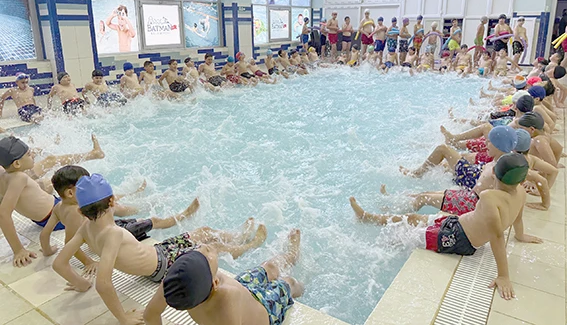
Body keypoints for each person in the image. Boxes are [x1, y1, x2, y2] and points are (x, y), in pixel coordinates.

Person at [53, 174, 268, 325]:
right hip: (165, 266)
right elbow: (103, 283)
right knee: (212, 248)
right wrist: (123, 318)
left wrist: (81, 284)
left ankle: (238, 235)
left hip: (159, 252)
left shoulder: (85, 228)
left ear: (80, 211)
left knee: (203, 232)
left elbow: (59, 263)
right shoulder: (113, 234)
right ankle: (249, 244)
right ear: (112, 201)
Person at [350, 153, 543, 300]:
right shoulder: (521, 192)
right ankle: (369, 217)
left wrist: (503, 276)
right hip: (456, 224)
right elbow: (517, 218)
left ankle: (373, 243)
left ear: (493, 172)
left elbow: (497, 236)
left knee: (403, 236)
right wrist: (520, 235)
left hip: (457, 239)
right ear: (522, 181)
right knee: (413, 218)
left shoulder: (489, 197)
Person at [40, 165, 200, 270]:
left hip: (105, 226)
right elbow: (69, 243)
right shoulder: (76, 213)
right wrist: (88, 262)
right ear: (70, 192)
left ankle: (137, 196)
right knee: (151, 220)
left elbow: (45, 233)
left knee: (115, 205)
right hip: (111, 234)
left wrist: (47, 250)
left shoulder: (60, 206)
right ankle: (183, 214)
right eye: (84, 186)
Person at [143, 229, 303, 325]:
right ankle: (300, 288)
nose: (204, 247)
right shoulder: (227, 298)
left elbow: (150, 315)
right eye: (207, 256)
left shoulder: (176, 281)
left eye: (196, 250)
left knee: (269, 267)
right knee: (287, 283)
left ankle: (290, 254)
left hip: (244, 288)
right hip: (266, 308)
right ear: (215, 282)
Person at [0, 136, 104, 266]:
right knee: (103, 203)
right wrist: (18, 250)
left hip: (49, 211)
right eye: (29, 154)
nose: (33, 155)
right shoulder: (19, 178)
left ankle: (95, 154)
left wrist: (47, 249)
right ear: (17, 164)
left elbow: (44, 235)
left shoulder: (4, 172)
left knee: (51, 171)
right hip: (54, 213)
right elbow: (3, 214)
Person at [400, 125, 518, 189]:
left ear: (499, 146)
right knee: (446, 164)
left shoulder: (499, 165)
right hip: (474, 174)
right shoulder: (508, 160)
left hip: (470, 176)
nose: (486, 143)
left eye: (490, 142)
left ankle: (417, 173)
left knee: (443, 149)